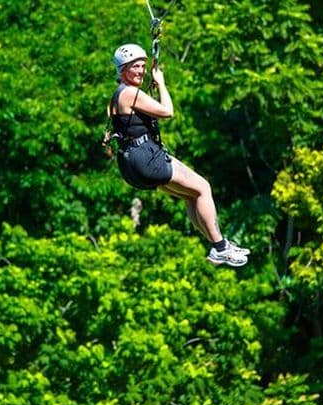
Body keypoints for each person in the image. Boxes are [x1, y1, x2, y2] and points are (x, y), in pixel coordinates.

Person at [106, 43, 250, 267]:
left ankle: (217, 245)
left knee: (190, 195)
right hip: (145, 158)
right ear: (122, 69)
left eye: (142, 66)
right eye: (135, 67)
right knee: (203, 187)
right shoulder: (130, 93)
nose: (141, 71)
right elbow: (167, 111)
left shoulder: (117, 95)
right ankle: (220, 247)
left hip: (131, 164)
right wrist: (161, 83)